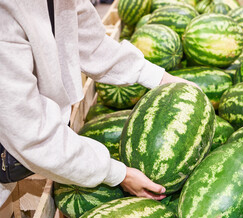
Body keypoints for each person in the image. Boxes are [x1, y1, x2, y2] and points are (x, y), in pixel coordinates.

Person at [0, 0, 196, 207]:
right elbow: (31, 132)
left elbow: (91, 44)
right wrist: (119, 174)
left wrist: (161, 78)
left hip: (31, 144)